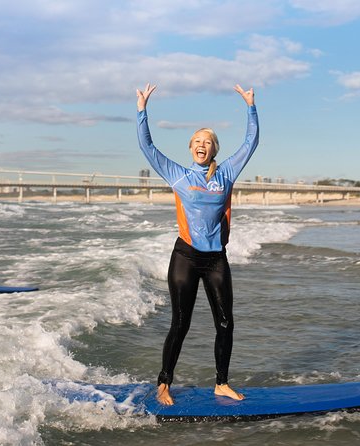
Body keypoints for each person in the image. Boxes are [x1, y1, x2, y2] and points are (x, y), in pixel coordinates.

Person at [136, 83, 259, 405]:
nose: (202, 145)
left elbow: (251, 142)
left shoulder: (227, 172)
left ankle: (221, 383)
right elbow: (148, 147)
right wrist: (141, 111)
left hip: (216, 258)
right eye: (198, 141)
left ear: (214, 149)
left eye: (208, 142)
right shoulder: (177, 174)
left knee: (225, 322)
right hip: (186, 257)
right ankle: (164, 383)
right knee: (181, 322)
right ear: (191, 148)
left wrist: (250, 106)